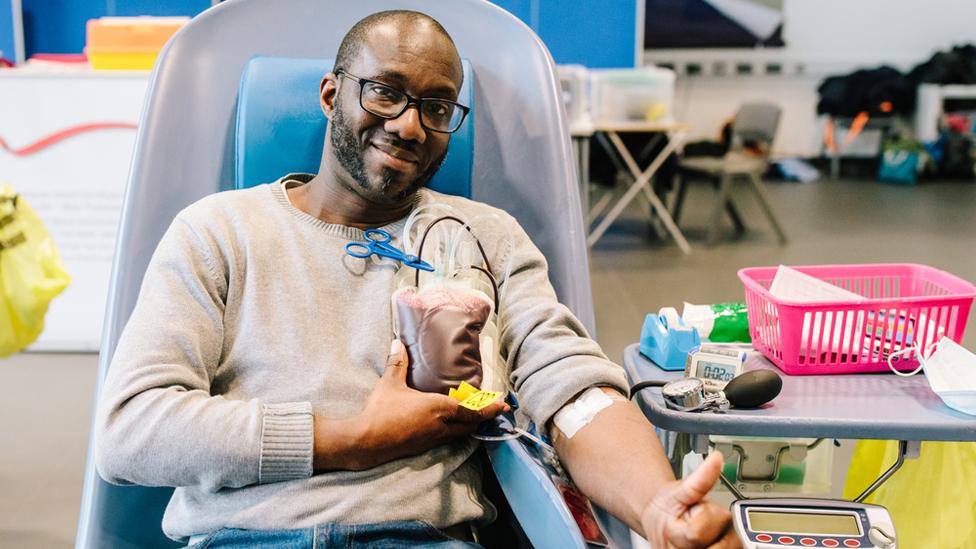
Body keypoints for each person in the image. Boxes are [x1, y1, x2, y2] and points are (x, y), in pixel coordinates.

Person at [95, 10, 740, 549]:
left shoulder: (485, 236)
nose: (409, 125)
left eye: (436, 106)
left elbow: (573, 389)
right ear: (331, 94)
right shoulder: (219, 232)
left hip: (420, 538)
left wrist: (657, 507)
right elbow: (130, 432)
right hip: (244, 537)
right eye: (385, 91)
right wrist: (354, 440)